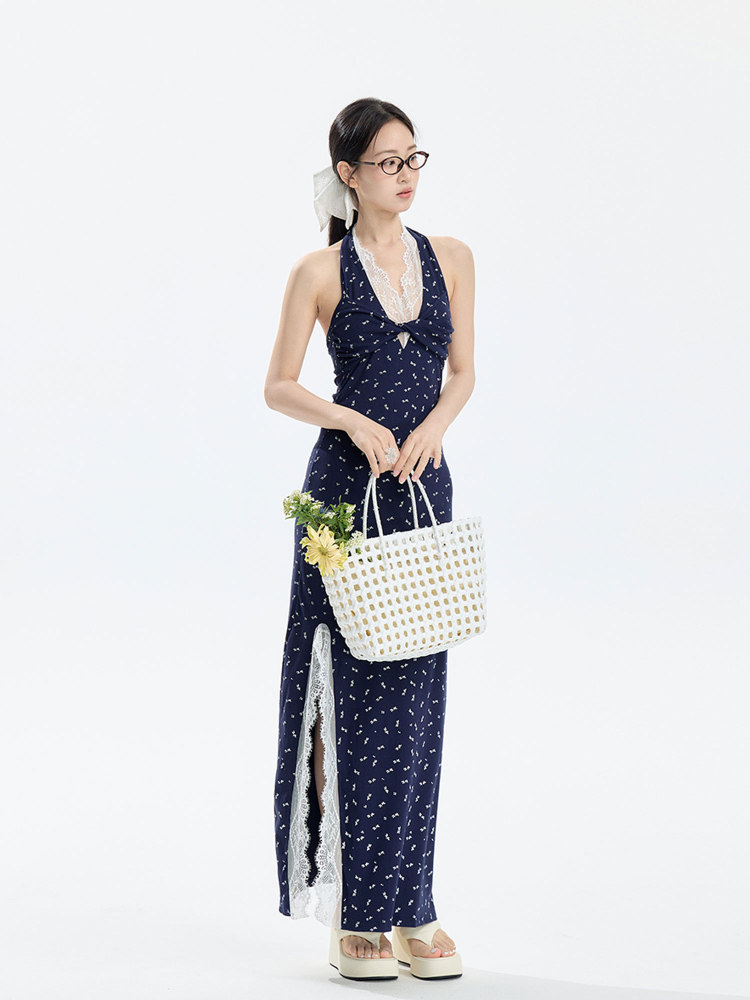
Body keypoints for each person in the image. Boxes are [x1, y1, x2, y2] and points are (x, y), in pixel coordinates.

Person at [264, 97, 476, 981]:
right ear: (349, 175)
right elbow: (279, 386)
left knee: (418, 700)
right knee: (347, 693)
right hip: (344, 501)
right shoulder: (319, 270)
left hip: (422, 488)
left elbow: (463, 373)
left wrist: (434, 428)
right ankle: (357, 911)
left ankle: (413, 905)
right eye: (389, 162)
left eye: (414, 158)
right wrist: (352, 419)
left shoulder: (452, 257)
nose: (406, 175)